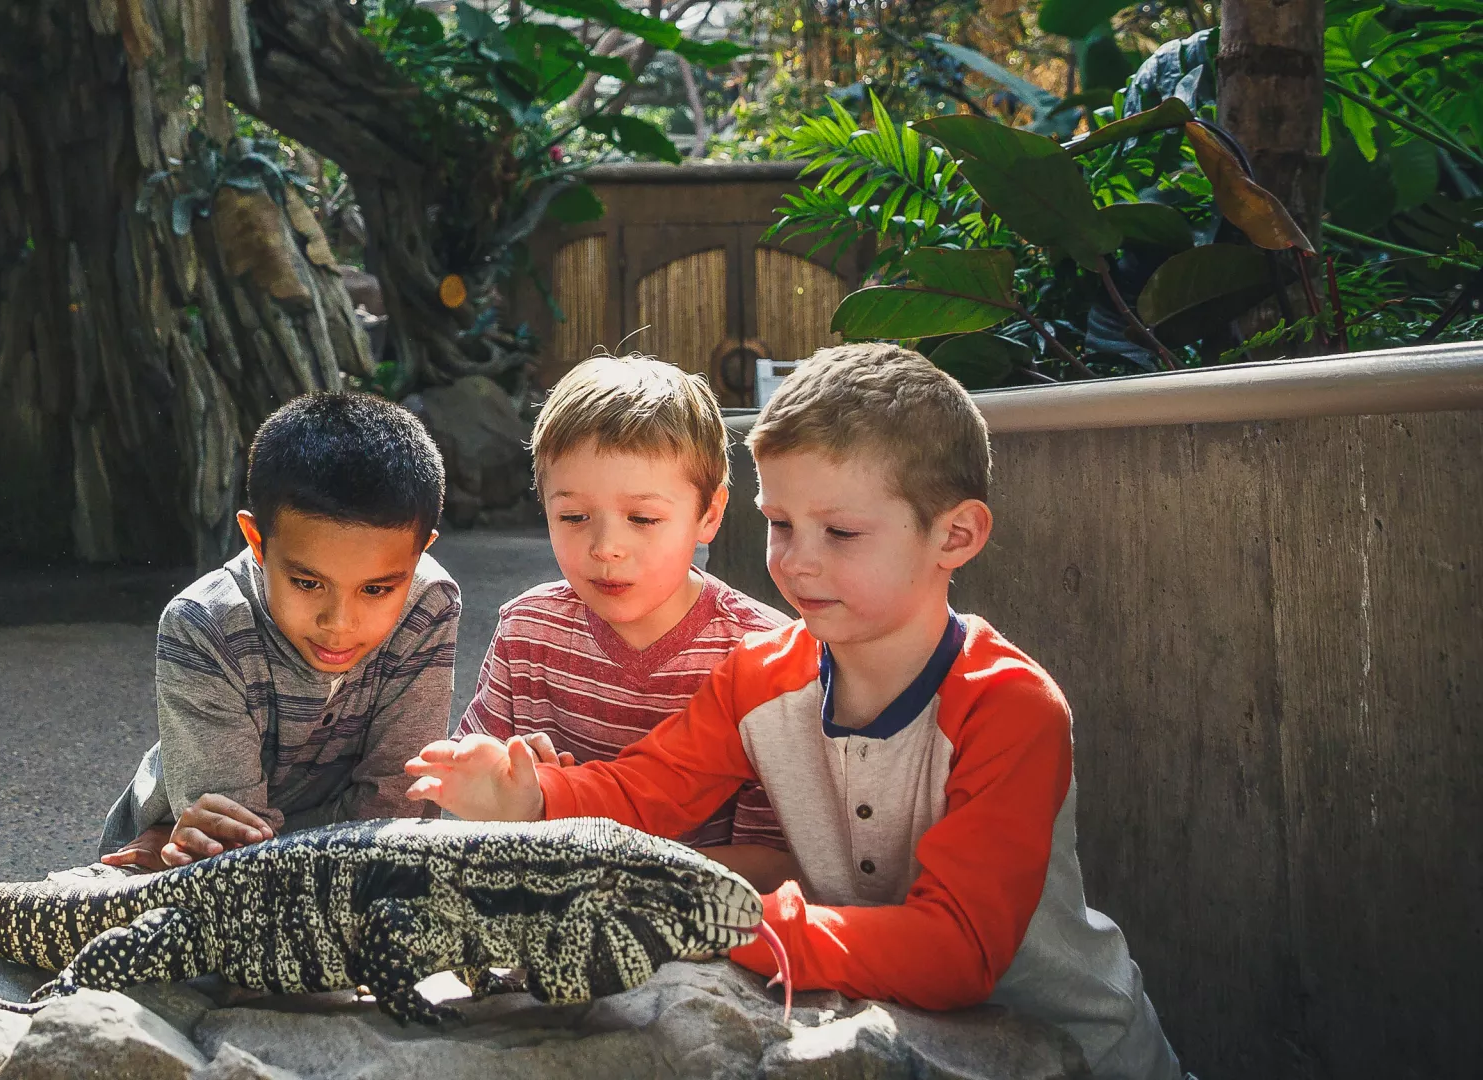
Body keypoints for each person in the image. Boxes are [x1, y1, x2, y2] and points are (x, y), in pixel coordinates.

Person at [405, 344, 1181, 1079]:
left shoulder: (1008, 706)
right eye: (780, 525)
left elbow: (958, 949)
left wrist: (719, 920)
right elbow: (646, 790)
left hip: (1072, 1050)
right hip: (880, 1031)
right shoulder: (759, 674)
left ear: (956, 534)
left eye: (839, 532)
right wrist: (530, 795)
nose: (796, 560)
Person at [457, 354, 795, 887]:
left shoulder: (764, 653)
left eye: (642, 519)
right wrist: (500, 780)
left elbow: (777, 865)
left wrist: (589, 857)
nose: (606, 547)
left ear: (709, 513)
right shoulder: (527, 631)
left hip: (701, 937)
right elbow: (463, 806)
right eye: (573, 517)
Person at [98, 391, 459, 871]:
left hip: (323, 865)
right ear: (256, 541)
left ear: (418, 556)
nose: (339, 623)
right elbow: (232, 857)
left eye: (375, 589)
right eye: (308, 582)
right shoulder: (203, 626)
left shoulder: (428, 605)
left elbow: (399, 810)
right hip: (164, 862)